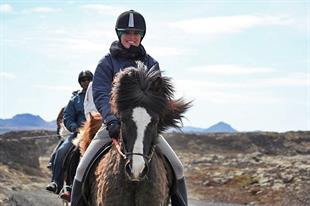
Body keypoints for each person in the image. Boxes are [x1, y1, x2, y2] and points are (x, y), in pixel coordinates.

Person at [70, 10, 188, 206]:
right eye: (127, 33)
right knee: (82, 169)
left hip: (144, 128)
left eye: (136, 34)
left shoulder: (151, 63)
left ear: (141, 36)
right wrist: (111, 120)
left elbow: (157, 98)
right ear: (119, 35)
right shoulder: (107, 63)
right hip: (113, 126)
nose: (132, 38)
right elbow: (100, 92)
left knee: (178, 167)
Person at [46, 70, 93, 198]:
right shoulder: (74, 99)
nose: (86, 82)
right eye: (83, 80)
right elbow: (67, 117)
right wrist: (75, 128)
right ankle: (57, 182)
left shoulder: (99, 94)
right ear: (80, 82)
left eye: (88, 79)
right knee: (62, 151)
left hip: (97, 131)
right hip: (79, 133)